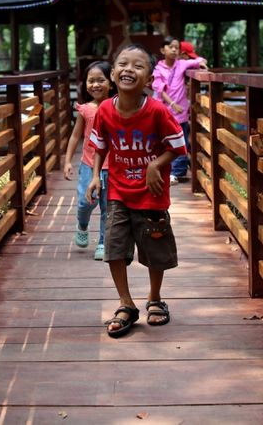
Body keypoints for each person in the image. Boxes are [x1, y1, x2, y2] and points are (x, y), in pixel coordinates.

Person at [86, 43, 187, 338]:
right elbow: (100, 146)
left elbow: (179, 146)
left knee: (155, 249)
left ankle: (155, 299)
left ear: (150, 78)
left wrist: (156, 164)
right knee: (114, 246)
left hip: (151, 194)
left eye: (138, 66)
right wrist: (95, 176)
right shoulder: (105, 109)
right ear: (114, 72)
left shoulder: (156, 111)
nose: (129, 69)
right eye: (123, 63)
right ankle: (126, 303)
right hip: (118, 190)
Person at [64, 61, 115, 260]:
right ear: (85, 84)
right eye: (91, 81)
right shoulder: (85, 109)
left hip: (112, 165)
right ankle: (82, 225)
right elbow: (75, 136)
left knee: (107, 206)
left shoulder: (116, 106)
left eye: (100, 80)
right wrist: (68, 161)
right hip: (88, 164)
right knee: (86, 203)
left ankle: (103, 242)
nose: (95, 85)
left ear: (111, 83)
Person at [151, 36, 207, 185]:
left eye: (177, 47)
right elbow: (159, 89)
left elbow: (197, 60)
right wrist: (173, 104)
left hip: (180, 113)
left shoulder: (181, 64)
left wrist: (202, 63)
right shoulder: (158, 69)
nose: (174, 50)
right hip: (164, 111)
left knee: (181, 141)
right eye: (171, 47)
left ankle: (177, 172)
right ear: (163, 50)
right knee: (163, 141)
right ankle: (162, 167)